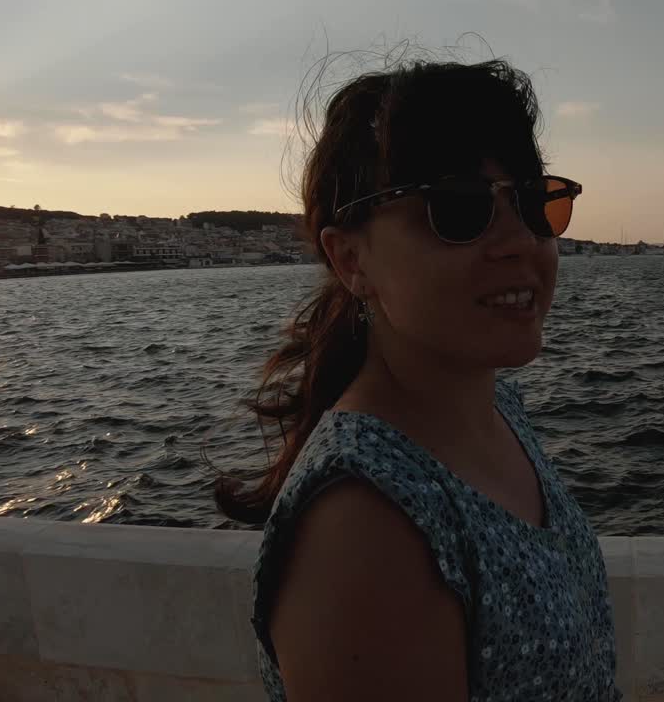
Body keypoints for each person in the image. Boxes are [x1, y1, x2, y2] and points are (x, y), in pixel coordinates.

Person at [215, 58, 621, 701]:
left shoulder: (499, 413)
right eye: (458, 209)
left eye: (533, 202)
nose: (520, 240)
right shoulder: (365, 528)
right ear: (351, 259)